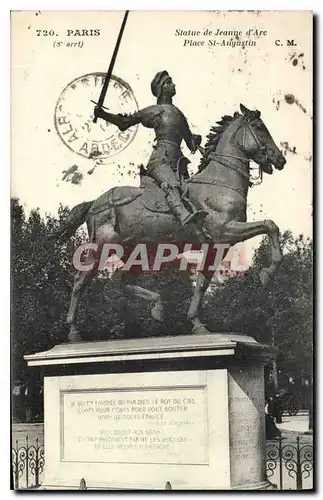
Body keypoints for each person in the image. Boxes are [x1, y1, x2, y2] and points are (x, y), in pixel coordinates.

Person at [94, 70, 208, 231]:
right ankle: (184, 217)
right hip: (160, 161)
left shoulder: (179, 114)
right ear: (161, 89)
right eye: (169, 82)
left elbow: (190, 145)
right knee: (171, 185)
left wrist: (196, 140)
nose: (173, 85)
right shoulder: (154, 111)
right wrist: (103, 114)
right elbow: (124, 122)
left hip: (179, 164)